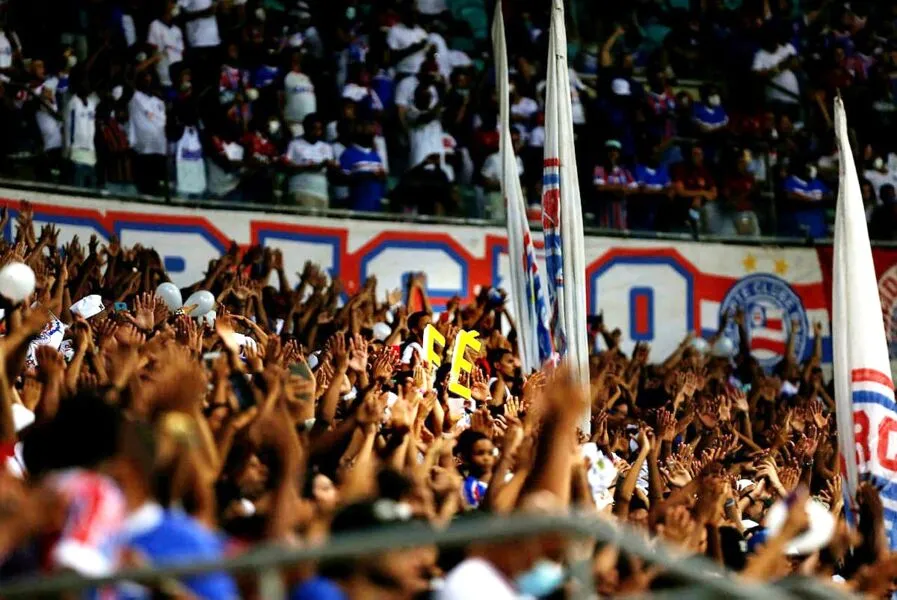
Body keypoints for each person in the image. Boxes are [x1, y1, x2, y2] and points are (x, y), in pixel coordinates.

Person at [283, 113, 337, 208]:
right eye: (313, 128)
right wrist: (306, 167)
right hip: (302, 191)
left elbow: (332, 169)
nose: (316, 132)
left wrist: (331, 165)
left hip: (322, 194)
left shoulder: (326, 147)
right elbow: (286, 165)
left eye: (319, 129)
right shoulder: (295, 144)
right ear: (305, 128)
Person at [339, 118, 388, 212]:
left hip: (376, 209)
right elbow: (343, 179)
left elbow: (381, 182)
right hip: (357, 207)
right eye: (368, 129)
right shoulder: (348, 154)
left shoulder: (376, 156)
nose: (371, 133)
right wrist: (368, 175)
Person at [63, 71, 99, 189]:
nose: (87, 85)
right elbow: (69, 127)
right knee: (78, 190)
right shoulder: (73, 103)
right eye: (84, 83)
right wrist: (68, 150)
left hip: (90, 153)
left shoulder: (92, 103)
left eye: (87, 83)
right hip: (76, 152)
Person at [593, 139, 637, 230]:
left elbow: (634, 187)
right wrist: (620, 188)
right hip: (606, 213)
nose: (613, 153)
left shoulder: (624, 171)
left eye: (615, 150)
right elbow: (600, 187)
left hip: (621, 213)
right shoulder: (600, 169)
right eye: (610, 150)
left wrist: (616, 189)